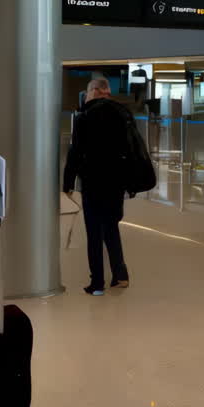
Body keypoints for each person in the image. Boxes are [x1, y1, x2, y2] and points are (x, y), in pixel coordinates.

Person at [63, 77, 133, 296]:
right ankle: (120, 275)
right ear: (107, 92)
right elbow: (131, 148)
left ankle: (97, 283)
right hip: (117, 182)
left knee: (94, 231)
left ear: (94, 91)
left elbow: (75, 152)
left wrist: (68, 183)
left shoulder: (85, 116)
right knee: (111, 226)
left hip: (93, 182)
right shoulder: (122, 114)